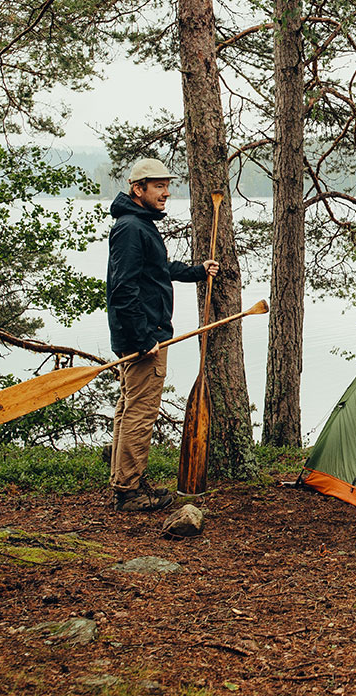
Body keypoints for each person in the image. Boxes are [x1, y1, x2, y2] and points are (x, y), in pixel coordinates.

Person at [106, 158, 219, 512]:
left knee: (128, 409)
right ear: (138, 189)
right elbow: (122, 289)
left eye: (167, 186)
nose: (166, 192)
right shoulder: (131, 229)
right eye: (158, 186)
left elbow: (157, 270)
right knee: (139, 412)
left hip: (143, 334)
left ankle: (125, 483)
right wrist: (143, 339)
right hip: (146, 338)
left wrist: (196, 271)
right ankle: (130, 490)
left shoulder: (139, 225)